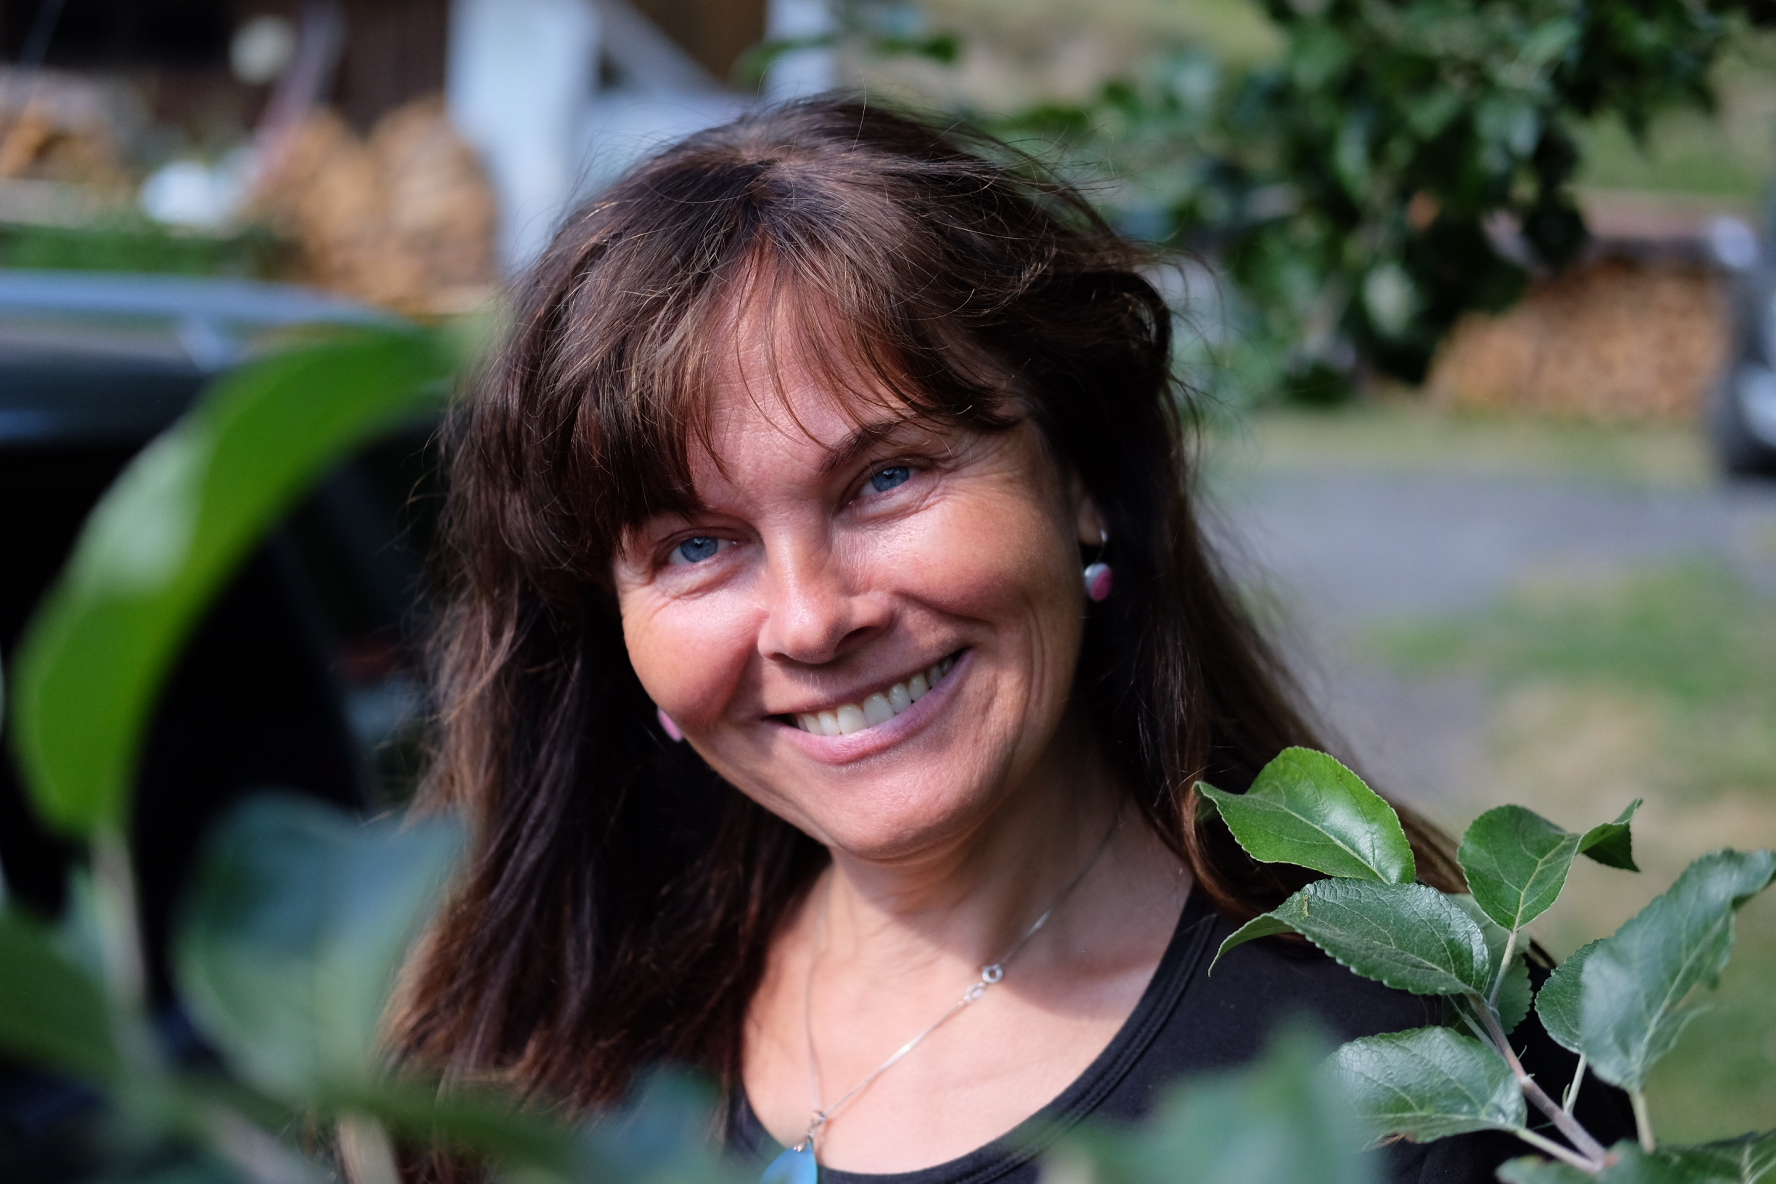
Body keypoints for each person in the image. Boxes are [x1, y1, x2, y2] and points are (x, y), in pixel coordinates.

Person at [391, 98, 1627, 1184]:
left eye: (886, 477)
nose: (813, 618)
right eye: (696, 545)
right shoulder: (534, 1067)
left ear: (1080, 475)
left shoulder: (1438, 1073)